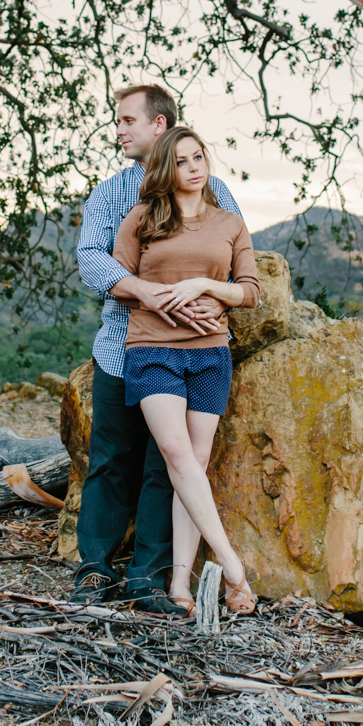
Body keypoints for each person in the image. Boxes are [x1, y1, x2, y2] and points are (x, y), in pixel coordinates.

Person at [74, 84, 240, 614]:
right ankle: (95, 569)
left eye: (127, 120)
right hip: (123, 348)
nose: (118, 130)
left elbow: (236, 264)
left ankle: (150, 577)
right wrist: (147, 293)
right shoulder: (113, 193)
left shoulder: (215, 194)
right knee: (110, 460)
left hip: (191, 350)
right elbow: (91, 260)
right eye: (117, 121)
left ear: (159, 126)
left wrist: (218, 304)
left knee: (164, 466)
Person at [112, 126, 259, 616]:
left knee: (193, 463)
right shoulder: (142, 218)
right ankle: (233, 568)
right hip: (152, 347)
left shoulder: (229, 224)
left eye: (199, 157)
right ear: (165, 170)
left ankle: (180, 584)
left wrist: (205, 285)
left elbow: (251, 291)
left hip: (210, 353)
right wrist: (163, 302)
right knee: (175, 452)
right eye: (182, 161)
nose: (194, 167)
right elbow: (118, 282)